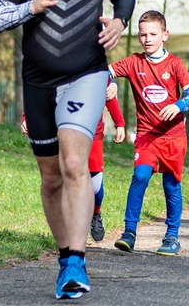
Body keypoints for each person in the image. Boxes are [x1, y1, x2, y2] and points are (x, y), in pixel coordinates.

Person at [0, 0, 135, 300]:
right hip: (37, 80)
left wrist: (120, 22)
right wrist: (32, 7)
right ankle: (64, 255)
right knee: (51, 178)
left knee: (75, 163)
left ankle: (76, 261)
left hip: (86, 73)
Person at [109, 10, 189, 257]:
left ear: (165, 35)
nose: (147, 39)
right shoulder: (133, 62)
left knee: (171, 185)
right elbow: (104, 72)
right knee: (140, 176)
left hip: (173, 137)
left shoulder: (175, 64)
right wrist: (110, 82)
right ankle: (129, 232)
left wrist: (178, 105)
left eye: (153, 34)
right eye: (142, 34)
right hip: (146, 135)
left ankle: (172, 236)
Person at [20, 80, 126, 243]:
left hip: (92, 134)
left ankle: (95, 214)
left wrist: (120, 123)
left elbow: (109, 97)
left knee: (96, 186)